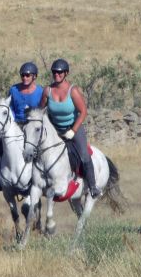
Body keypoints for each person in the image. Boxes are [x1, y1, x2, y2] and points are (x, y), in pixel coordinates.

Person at [40, 58, 101, 199]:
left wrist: (73, 130)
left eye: (60, 72)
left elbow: (83, 111)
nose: (57, 74)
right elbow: (40, 109)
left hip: (73, 128)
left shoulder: (73, 91)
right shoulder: (47, 91)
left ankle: (93, 187)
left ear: (66, 73)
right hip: (54, 129)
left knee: (84, 155)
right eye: (55, 72)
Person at [0, 62, 43, 193]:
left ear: (34, 76)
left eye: (28, 75)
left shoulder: (40, 91)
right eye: (23, 75)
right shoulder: (13, 90)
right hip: (16, 125)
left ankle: (42, 179)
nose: (25, 77)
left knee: (39, 149)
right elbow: (9, 110)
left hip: (32, 126)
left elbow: (42, 110)